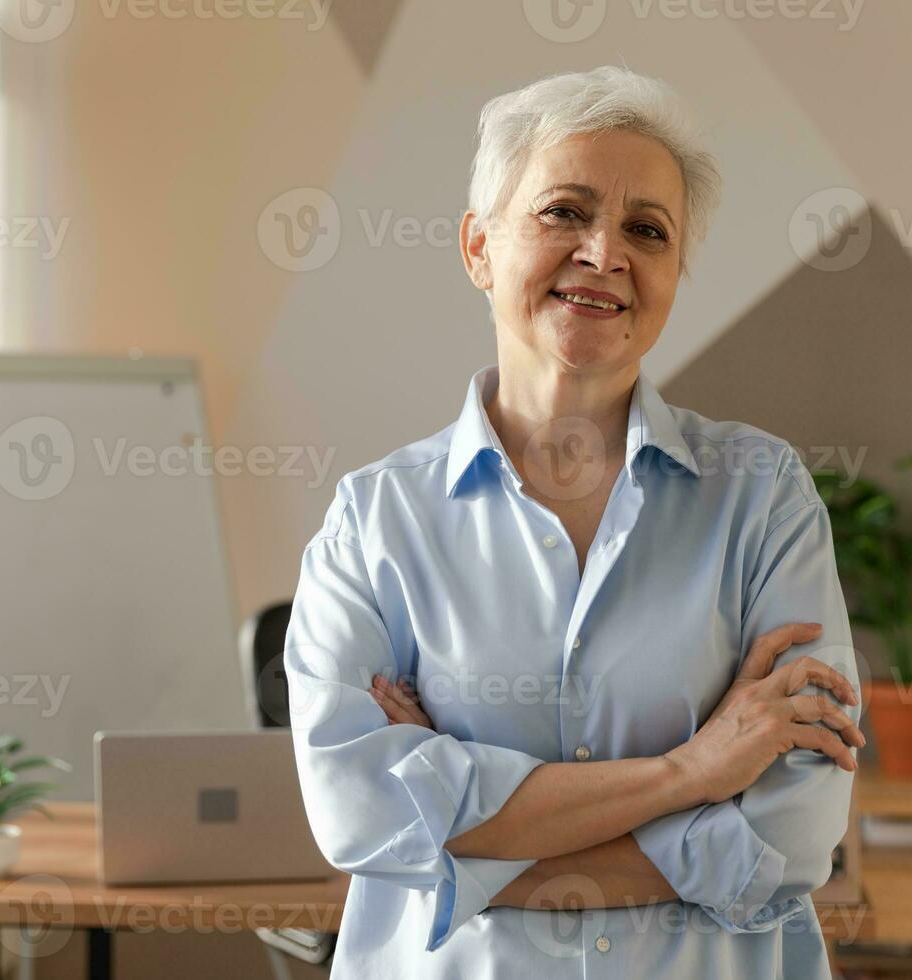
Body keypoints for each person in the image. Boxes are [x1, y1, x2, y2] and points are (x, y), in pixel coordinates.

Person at [282, 64, 863, 978]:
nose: (605, 253)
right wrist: (697, 774)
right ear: (478, 246)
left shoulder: (763, 496)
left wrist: (463, 842)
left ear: (674, 274)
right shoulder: (374, 523)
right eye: (564, 212)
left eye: (647, 230)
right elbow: (361, 820)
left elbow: (793, 835)